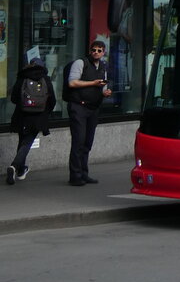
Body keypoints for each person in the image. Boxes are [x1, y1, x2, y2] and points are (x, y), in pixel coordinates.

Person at [65, 40, 111, 185]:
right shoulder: (80, 63)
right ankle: (75, 176)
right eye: (94, 50)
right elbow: (72, 83)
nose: (96, 53)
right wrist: (93, 83)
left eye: (99, 50)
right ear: (90, 51)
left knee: (87, 143)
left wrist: (105, 92)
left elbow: (103, 85)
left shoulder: (103, 66)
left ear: (104, 53)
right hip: (79, 106)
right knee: (78, 141)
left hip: (93, 108)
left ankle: (84, 173)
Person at [6, 57, 56, 185]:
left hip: (22, 115)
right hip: (38, 116)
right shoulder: (45, 78)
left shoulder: (22, 77)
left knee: (22, 140)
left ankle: (21, 170)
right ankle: (14, 166)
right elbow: (52, 100)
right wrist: (45, 112)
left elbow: (14, 98)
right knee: (27, 143)